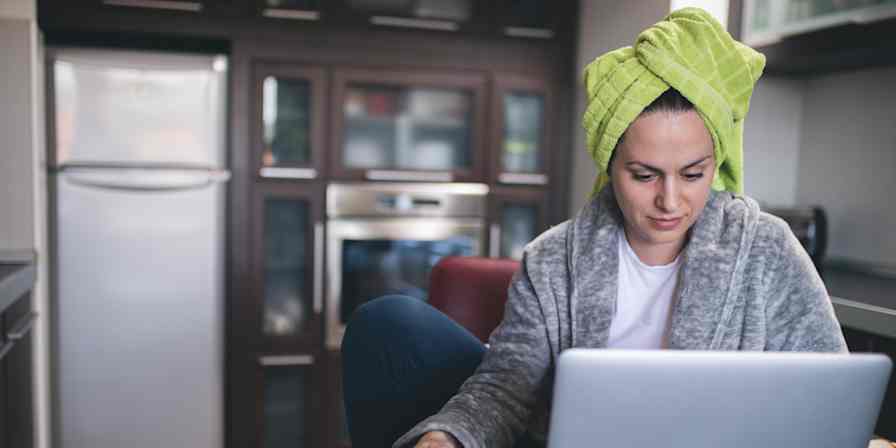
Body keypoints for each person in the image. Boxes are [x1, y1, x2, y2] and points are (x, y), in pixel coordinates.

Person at [341, 7, 847, 448]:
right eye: (644, 175)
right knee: (389, 324)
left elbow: (828, 392)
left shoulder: (765, 249)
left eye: (694, 174)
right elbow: (507, 387)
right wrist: (447, 435)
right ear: (610, 164)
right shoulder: (553, 259)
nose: (670, 200)